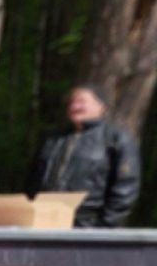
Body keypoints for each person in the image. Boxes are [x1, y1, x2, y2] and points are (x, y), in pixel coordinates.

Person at [28, 85, 141, 228]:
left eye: (81, 102)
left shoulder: (116, 139)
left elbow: (126, 188)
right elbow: (32, 180)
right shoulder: (53, 139)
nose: (74, 106)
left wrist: (102, 226)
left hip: (88, 225)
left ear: (100, 106)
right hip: (44, 221)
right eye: (71, 102)